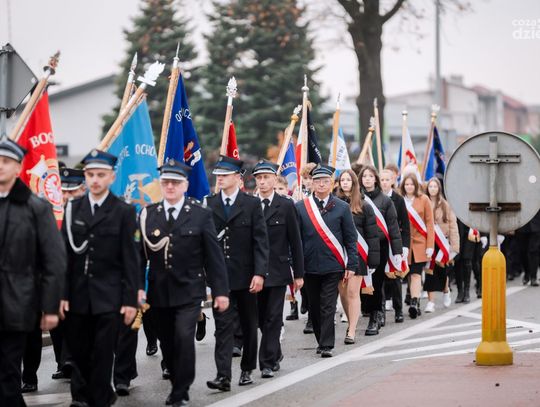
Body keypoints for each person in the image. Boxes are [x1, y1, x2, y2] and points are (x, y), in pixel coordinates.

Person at [139, 159, 229, 406]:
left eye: (175, 182)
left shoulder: (200, 214)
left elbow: (213, 256)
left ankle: (181, 390)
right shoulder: (149, 214)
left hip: (190, 290)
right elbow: (139, 256)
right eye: (166, 182)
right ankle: (176, 380)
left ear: (185, 185)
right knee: (167, 343)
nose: (170, 186)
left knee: (183, 338)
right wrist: (137, 288)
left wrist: (220, 291)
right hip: (159, 291)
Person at [60, 149, 140, 407]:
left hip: (109, 296)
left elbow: (131, 259)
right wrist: (61, 294)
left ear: (111, 177)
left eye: (101, 175)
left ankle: (87, 400)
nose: (95, 180)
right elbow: (65, 257)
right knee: (79, 352)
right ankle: (93, 394)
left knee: (103, 353)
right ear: (85, 176)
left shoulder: (123, 211)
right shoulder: (73, 209)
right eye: (91, 174)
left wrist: (130, 299)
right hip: (78, 295)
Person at [0, 137, 66, 405]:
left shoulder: (35, 207)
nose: (0, 166)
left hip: (18, 305)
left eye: (6, 161)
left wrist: (49, 307)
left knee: (7, 375)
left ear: (18, 168)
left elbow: (54, 260)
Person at [206, 155, 269, 390]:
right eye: (218, 175)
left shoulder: (251, 204)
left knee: (248, 324)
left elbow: (260, 242)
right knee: (222, 327)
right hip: (220, 277)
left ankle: (247, 369)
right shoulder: (210, 204)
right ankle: (223, 375)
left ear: (237, 177)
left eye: (224, 175)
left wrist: (259, 273)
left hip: (246, 276)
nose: (220, 179)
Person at [296, 164, 359, 357]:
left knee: (328, 305)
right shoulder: (301, 207)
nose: (321, 184)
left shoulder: (342, 207)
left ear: (331, 183)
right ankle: (320, 339)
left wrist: (352, 264)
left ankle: (326, 345)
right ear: (312, 183)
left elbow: (350, 238)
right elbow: (296, 239)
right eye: (317, 181)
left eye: (325, 181)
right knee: (314, 307)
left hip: (333, 265)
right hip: (309, 265)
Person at [252, 160, 304, 377]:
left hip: (278, 270)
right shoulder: (249, 204)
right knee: (260, 318)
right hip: (255, 271)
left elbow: (295, 240)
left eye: (266, 177)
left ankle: (266, 362)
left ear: (275, 179)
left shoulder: (286, 205)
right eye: (259, 178)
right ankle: (275, 351)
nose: (262, 182)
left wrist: (299, 274)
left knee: (273, 316)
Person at [49, 167, 86, 382]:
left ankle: (73, 361)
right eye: (63, 191)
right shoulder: (50, 213)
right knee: (57, 325)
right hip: (54, 277)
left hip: (79, 278)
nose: (66, 196)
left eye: (71, 191)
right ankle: (61, 362)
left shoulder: (87, 213)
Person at [335, 170, 379, 343]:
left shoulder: (364, 205)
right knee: (343, 293)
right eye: (342, 180)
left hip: (358, 255)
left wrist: (373, 260)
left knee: (353, 292)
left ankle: (352, 330)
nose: (345, 182)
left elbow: (372, 235)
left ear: (354, 183)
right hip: (339, 254)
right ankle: (350, 320)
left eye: (348, 180)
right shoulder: (333, 203)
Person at [359, 165, 403, 335]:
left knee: (377, 282)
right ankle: (369, 311)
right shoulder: (357, 198)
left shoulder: (386, 201)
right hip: (361, 247)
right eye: (364, 176)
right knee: (364, 284)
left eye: (370, 176)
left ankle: (376, 316)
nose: (367, 179)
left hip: (380, 247)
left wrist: (397, 252)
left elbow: (393, 227)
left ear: (375, 179)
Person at [399, 172, 435, 319]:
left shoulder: (424, 199)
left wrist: (430, 245)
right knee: (408, 273)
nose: (409, 187)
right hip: (404, 244)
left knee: (416, 273)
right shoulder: (400, 200)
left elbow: (430, 223)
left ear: (416, 185)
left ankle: (414, 302)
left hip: (420, 243)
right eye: (406, 184)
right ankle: (415, 298)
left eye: (411, 184)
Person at [424, 178, 460, 313]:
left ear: (439, 188)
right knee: (429, 272)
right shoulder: (424, 202)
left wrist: (454, 246)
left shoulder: (445, 205)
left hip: (442, 244)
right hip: (428, 243)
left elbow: (453, 226)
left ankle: (446, 291)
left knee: (441, 272)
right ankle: (430, 302)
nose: (432, 189)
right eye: (430, 186)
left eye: (435, 186)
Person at [380, 168, 410, 323]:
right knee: (380, 279)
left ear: (392, 181)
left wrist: (405, 246)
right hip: (379, 243)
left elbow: (405, 225)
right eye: (382, 180)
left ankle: (398, 310)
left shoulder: (398, 199)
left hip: (394, 243)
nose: (384, 183)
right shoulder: (375, 198)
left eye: (387, 180)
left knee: (396, 278)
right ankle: (381, 312)